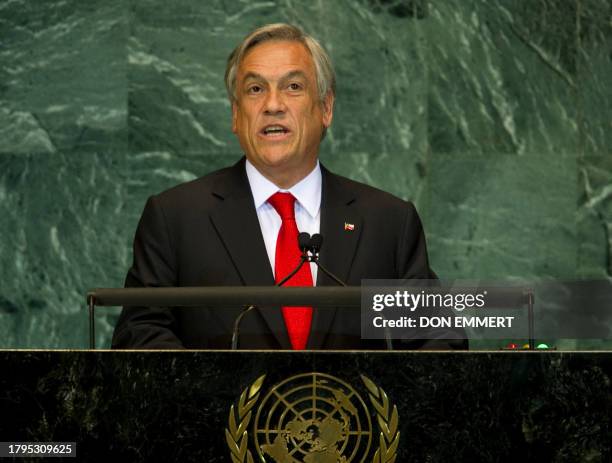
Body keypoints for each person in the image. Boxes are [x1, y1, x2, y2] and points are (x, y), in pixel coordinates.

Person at [112, 23, 465, 350]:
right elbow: (139, 335)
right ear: (236, 115)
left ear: (325, 108)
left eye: (293, 87)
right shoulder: (177, 218)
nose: (273, 105)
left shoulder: (386, 222)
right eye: (255, 89)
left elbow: (439, 342)